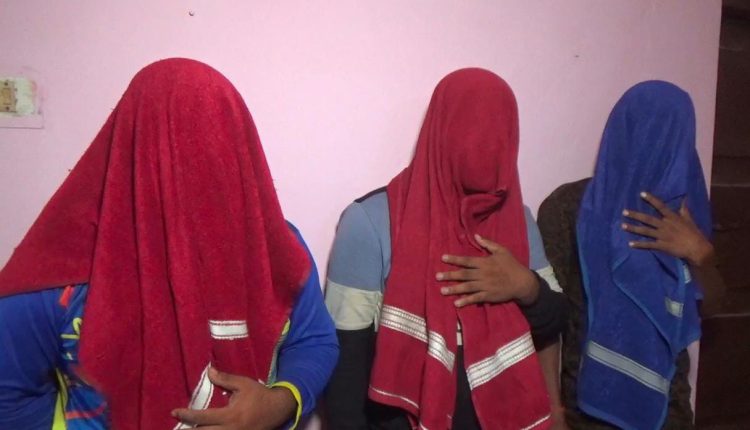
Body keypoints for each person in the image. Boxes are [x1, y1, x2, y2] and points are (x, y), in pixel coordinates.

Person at [0, 58, 338, 430]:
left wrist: (279, 403)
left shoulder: (274, 248)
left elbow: (314, 341)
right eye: (170, 159)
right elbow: (8, 394)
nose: (196, 174)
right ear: (129, 153)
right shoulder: (61, 268)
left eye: (216, 150)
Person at [324, 68, 567, 430]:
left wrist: (526, 287)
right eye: (470, 127)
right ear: (441, 129)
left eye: (498, 130)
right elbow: (345, 367)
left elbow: (556, 322)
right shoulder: (371, 222)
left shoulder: (519, 220)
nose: (485, 145)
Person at [537, 81, 726, 430]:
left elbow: (710, 305)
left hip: (667, 409)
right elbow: (548, 318)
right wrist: (551, 407)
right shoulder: (570, 208)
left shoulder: (685, 210)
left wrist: (701, 254)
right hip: (584, 406)